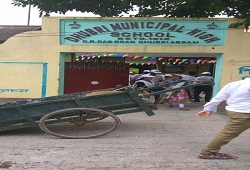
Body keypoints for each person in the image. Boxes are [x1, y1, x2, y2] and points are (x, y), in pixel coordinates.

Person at [196, 77, 250, 159]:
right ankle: (208, 152)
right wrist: (208, 108)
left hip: (236, 111)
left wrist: (208, 108)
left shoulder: (233, 84)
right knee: (227, 134)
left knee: (228, 133)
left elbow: (218, 98)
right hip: (244, 113)